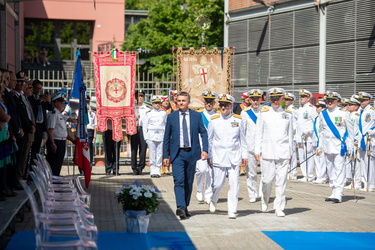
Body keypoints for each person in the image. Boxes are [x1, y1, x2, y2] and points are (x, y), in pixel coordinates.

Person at [163, 91, 208, 220]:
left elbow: (203, 133)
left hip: (192, 153)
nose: (181, 103)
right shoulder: (172, 117)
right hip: (178, 154)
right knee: (179, 181)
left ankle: (185, 207)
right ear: (176, 102)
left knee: (188, 182)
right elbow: (166, 137)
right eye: (179, 101)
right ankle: (180, 207)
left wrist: (205, 149)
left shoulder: (196, 116)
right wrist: (165, 155)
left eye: (183, 100)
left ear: (188, 102)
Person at [207, 94, 247, 219]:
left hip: (234, 156)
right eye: (221, 105)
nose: (223, 107)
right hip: (218, 156)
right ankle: (214, 199)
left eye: (226, 105)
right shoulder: (214, 120)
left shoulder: (238, 120)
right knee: (218, 184)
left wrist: (244, 156)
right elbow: (209, 139)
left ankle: (232, 209)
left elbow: (243, 140)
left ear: (231, 106)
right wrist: (208, 155)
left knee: (234, 184)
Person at [255, 88, 293, 217]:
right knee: (267, 180)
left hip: (283, 153)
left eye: (278, 98)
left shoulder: (288, 114)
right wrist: (257, 150)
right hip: (267, 152)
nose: (276, 101)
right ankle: (265, 198)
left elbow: (290, 135)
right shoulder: (264, 113)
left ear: (282, 99)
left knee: (281, 182)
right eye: (273, 98)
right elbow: (258, 133)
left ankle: (279, 207)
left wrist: (291, 153)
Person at [319, 91, 353, 203]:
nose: (329, 103)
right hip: (327, 145)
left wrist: (350, 145)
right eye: (327, 101)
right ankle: (333, 190)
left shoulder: (344, 113)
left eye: (332, 101)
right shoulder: (322, 114)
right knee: (330, 169)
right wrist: (319, 145)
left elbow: (350, 131)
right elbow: (320, 131)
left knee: (339, 168)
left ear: (338, 102)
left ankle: (338, 192)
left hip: (339, 145)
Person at [195, 91, 218, 203]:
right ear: (204, 102)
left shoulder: (217, 116)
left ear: (214, 103)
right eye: (207, 102)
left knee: (211, 173)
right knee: (201, 170)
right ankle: (199, 189)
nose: (209, 104)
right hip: (201, 147)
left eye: (211, 102)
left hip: (214, 149)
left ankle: (208, 195)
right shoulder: (198, 115)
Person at [241, 89, 263, 203]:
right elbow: (242, 132)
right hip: (250, 147)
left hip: (264, 147)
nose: (255, 102)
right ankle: (252, 193)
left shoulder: (265, 111)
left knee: (266, 173)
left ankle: (263, 192)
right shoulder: (245, 112)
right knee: (251, 173)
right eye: (253, 99)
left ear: (260, 99)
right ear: (250, 100)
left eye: (257, 99)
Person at [46, 93, 76, 176]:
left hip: (61, 141)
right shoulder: (53, 113)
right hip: (56, 141)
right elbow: (50, 130)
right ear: (56, 103)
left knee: (58, 163)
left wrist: (72, 140)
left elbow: (63, 131)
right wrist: (52, 143)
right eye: (62, 103)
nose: (63, 105)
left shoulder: (59, 114)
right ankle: (53, 181)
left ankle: (56, 178)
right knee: (54, 163)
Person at [28, 80, 53, 165]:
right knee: (31, 149)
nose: (38, 91)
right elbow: (31, 107)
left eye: (40, 89)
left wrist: (49, 101)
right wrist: (39, 101)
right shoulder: (30, 97)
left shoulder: (42, 98)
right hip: (33, 124)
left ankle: (35, 165)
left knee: (38, 148)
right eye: (37, 88)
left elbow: (50, 109)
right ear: (33, 88)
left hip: (41, 126)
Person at [296, 89, 318, 182]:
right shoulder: (300, 108)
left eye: (304, 97)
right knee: (302, 156)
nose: (301, 98)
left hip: (308, 137)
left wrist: (309, 131)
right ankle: (305, 175)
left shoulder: (311, 108)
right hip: (300, 136)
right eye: (301, 96)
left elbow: (316, 122)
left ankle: (310, 175)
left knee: (309, 156)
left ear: (308, 98)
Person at [143, 96, 167, 178]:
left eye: (158, 103)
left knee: (160, 153)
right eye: (155, 103)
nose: (157, 104)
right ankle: (152, 169)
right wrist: (146, 137)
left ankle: (158, 169)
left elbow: (165, 124)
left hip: (161, 134)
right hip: (151, 135)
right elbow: (145, 126)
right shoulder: (148, 113)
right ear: (152, 104)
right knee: (152, 152)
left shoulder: (163, 113)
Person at [356, 92, 375, 191]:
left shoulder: (372, 111)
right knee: (363, 162)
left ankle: (371, 184)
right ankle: (365, 182)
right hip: (362, 140)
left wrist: (371, 132)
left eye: (363, 100)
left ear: (368, 100)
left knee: (370, 163)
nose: (361, 102)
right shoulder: (361, 111)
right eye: (360, 100)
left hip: (369, 140)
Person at [130, 90, 150, 175]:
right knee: (134, 149)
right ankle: (134, 167)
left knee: (143, 149)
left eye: (142, 96)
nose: (140, 98)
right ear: (135, 97)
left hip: (143, 129)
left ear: (144, 97)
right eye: (138, 96)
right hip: (134, 128)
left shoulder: (147, 109)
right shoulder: (132, 108)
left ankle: (141, 166)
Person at [344, 95, 361, 190]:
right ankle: (353, 181)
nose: (348, 106)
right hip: (348, 142)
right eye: (348, 104)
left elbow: (357, 130)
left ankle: (357, 183)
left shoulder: (356, 116)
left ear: (356, 106)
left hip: (355, 142)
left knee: (356, 163)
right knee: (351, 163)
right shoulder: (348, 114)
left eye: (351, 105)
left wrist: (355, 140)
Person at [284, 93, 298, 180]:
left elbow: (297, 123)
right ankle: (288, 171)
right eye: (285, 99)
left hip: (292, 135)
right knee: (287, 153)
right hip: (287, 134)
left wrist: (295, 135)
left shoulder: (293, 110)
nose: (285, 101)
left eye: (287, 100)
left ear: (292, 101)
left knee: (292, 154)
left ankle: (293, 172)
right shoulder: (285, 109)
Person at [312, 101, 327, 184]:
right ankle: (319, 176)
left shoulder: (324, 117)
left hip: (322, 141)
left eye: (318, 107)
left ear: (323, 108)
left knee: (322, 159)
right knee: (317, 159)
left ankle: (322, 176)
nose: (316, 109)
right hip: (316, 141)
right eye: (316, 107)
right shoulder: (317, 117)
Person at [86, 95, 97, 165]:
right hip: (82, 132)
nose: (86, 103)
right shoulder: (79, 112)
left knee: (89, 151)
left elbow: (95, 125)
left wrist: (95, 137)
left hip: (90, 132)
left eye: (87, 102)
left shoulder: (92, 113)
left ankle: (89, 166)